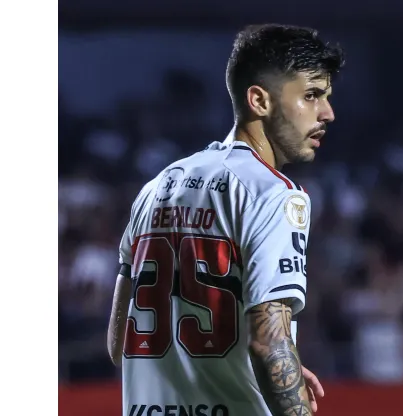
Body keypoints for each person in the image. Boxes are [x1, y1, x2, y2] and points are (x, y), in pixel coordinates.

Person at [106, 24, 344, 416]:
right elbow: (269, 343)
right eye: (312, 95)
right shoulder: (273, 194)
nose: (328, 113)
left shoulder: (157, 187)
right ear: (259, 100)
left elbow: (119, 345)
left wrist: (240, 368)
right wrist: (274, 365)